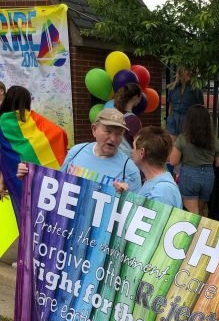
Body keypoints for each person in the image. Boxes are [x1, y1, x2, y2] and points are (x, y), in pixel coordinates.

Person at [17, 108, 141, 193]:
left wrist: (126, 197)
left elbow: (136, 212)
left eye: (119, 134)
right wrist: (30, 176)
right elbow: (57, 186)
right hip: (70, 228)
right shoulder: (76, 152)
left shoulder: (129, 169)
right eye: (108, 131)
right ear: (94, 130)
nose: (113, 138)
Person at [0, 85, 67, 223]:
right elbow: (60, 133)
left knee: (24, 217)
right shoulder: (33, 119)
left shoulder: (1, 122)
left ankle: (27, 239)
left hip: (14, 178)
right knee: (42, 214)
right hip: (38, 179)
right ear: (26, 101)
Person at [169, 104, 219, 215]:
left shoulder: (183, 138)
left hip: (189, 175)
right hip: (208, 176)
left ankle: (193, 231)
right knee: (200, 210)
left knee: (191, 213)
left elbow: (173, 161)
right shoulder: (213, 139)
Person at [113, 126, 182, 209]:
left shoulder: (160, 192)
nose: (132, 151)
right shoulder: (156, 184)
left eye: (134, 147)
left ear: (142, 153)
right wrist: (126, 195)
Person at [166, 66, 204, 140]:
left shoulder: (196, 90)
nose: (191, 72)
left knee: (185, 148)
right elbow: (171, 108)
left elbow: (200, 111)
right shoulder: (172, 88)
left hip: (189, 124)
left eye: (192, 71)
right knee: (173, 148)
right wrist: (170, 120)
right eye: (188, 70)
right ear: (181, 71)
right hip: (173, 124)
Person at [113, 82, 143, 157]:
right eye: (140, 97)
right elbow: (137, 144)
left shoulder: (115, 115)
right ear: (136, 97)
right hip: (129, 158)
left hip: (116, 155)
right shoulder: (133, 120)